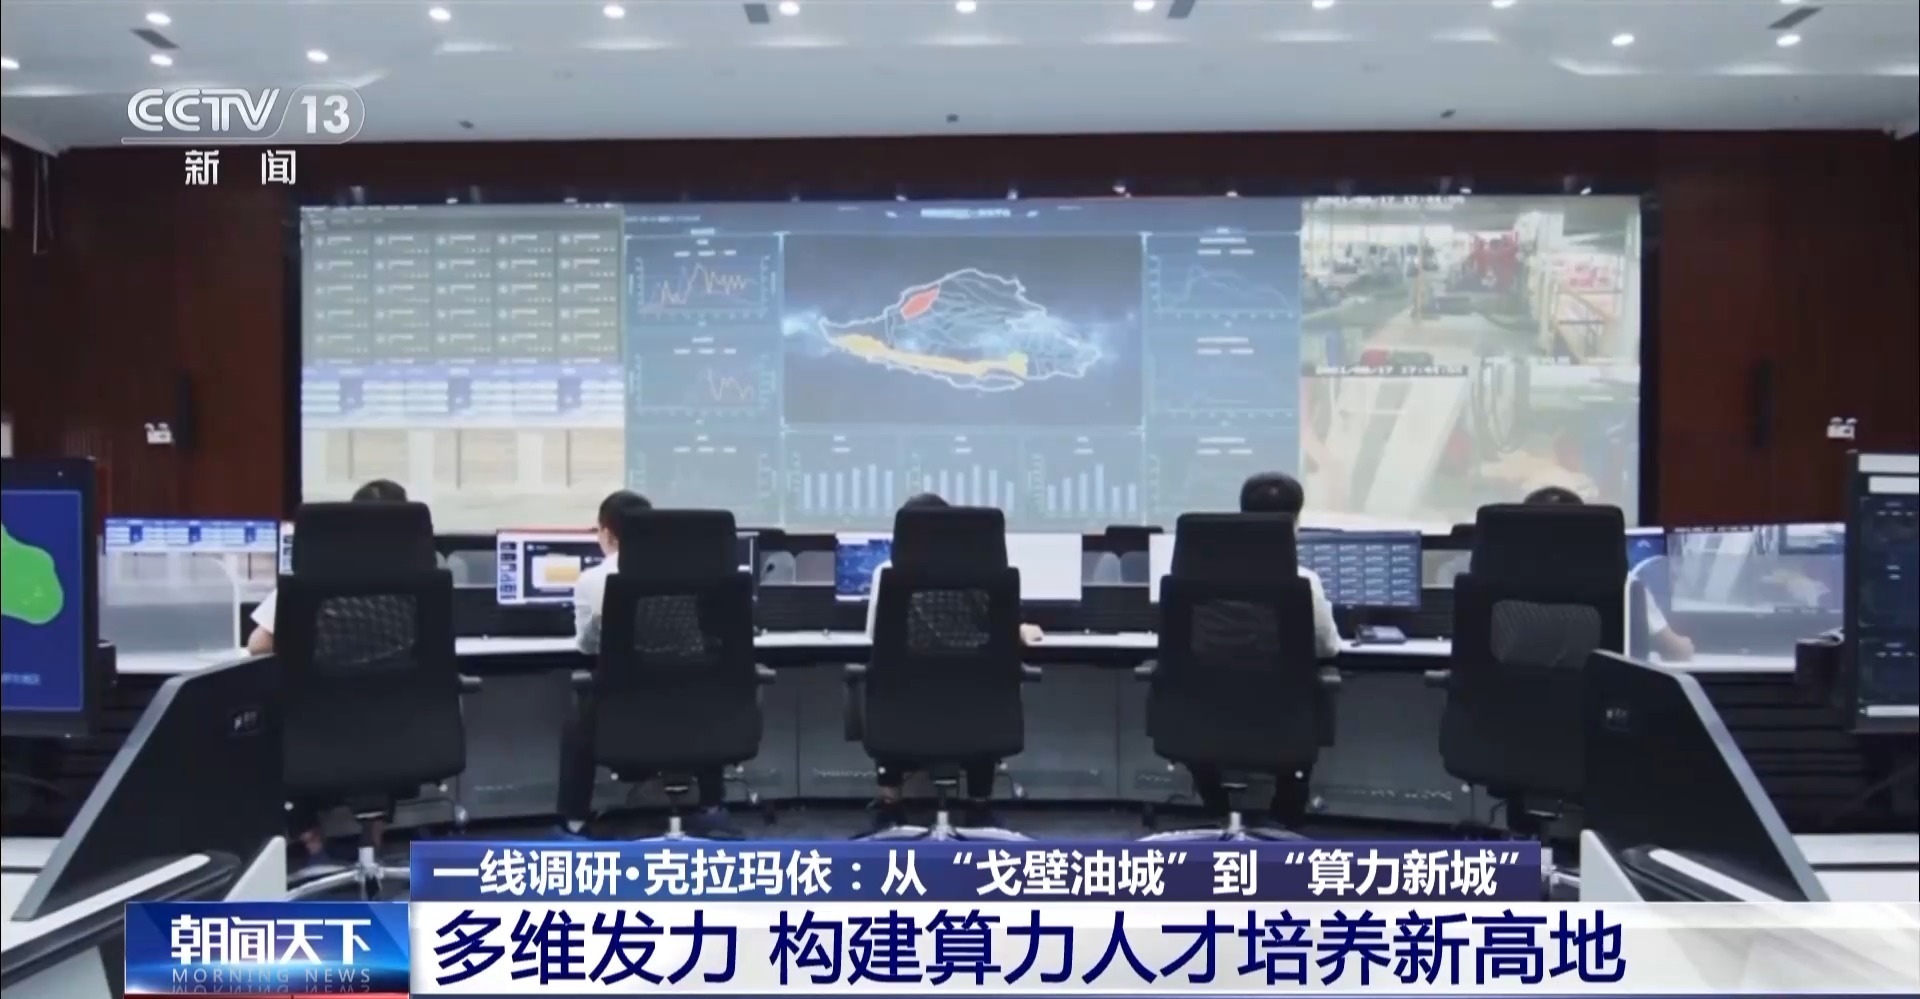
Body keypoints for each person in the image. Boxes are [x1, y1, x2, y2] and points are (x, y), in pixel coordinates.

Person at [250, 478, 410, 873]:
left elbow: (258, 645)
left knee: (263, 730)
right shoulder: (419, 586)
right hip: (398, 738)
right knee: (384, 720)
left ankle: (313, 844)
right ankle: (372, 839)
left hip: (316, 735)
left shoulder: (312, 580)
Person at [556, 489, 734, 838]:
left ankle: (574, 821)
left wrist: (601, 625)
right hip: (695, 713)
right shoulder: (693, 572)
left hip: (626, 715)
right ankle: (713, 807)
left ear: (607, 533)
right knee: (705, 689)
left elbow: (586, 647)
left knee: (578, 721)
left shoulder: (593, 579)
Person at [863, 492, 1043, 832]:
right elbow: (1000, 633)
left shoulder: (889, 574)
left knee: (883, 684)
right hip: (974, 709)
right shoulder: (985, 576)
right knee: (982, 693)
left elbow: (876, 637)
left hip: (905, 709)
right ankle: (979, 805)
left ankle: (890, 805)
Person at [1183, 472, 1343, 830]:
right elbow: (1328, 647)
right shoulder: (1304, 581)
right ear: (1295, 524)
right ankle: (1283, 818)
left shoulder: (1199, 577)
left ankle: (1216, 806)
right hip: (1284, 721)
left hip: (1205, 717)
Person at [1522, 485, 1694, 661]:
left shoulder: (1507, 583)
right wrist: (1686, 644)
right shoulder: (1623, 582)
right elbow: (1676, 651)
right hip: (1604, 679)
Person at [246, 478, 410, 655]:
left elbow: (258, 645)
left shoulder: (312, 575)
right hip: (399, 673)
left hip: (322, 673)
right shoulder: (418, 581)